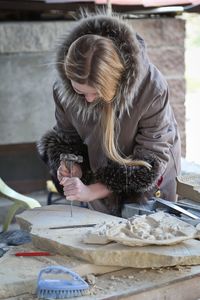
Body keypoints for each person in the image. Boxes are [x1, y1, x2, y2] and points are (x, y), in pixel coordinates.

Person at [37, 13, 181, 217]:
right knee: (105, 233)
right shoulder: (63, 89)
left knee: (146, 232)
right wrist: (73, 165)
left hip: (150, 181)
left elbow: (152, 159)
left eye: (96, 93)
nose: (88, 100)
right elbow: (67, 137)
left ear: (116, 81)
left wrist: (92, 191)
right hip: (99, 172)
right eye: (80, 92)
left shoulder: (151, 88)